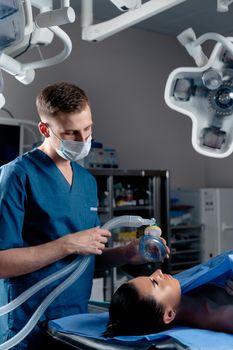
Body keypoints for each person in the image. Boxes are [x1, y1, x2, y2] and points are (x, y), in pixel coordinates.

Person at [0, 81, 170, 350]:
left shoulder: (86, 181)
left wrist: (126, 253)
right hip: (26, 323)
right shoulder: (17, 175)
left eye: (88, 128)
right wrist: (66, 244)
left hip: (72, 322)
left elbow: (84, 259)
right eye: (71, 133)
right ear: (45, 129)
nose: (83, 140)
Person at [105, 259, 233, 337]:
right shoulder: (220, 316)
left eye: (150, 276)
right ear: (169, 315)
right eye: (155, 282)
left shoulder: (188, 289)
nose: (158, 272)